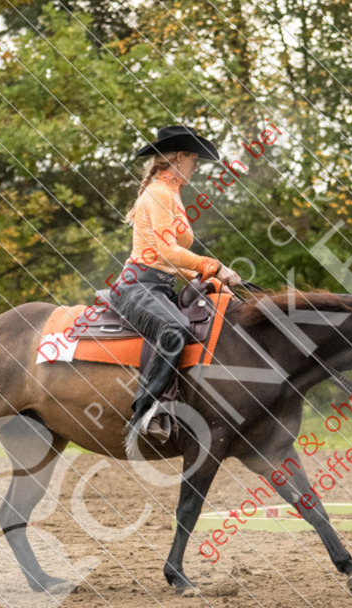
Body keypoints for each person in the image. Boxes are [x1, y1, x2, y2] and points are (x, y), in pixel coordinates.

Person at [114, 124, 242, 443]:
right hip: (137, 286)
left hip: (159, 285)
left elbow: (170, 261)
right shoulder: (159, 193)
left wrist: (211, 281)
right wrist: (214, 266)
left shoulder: (171, 193)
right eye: (194, 159)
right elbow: (166, 251)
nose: (196, 166)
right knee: (175, 327)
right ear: (180, 157)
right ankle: (147, 411)